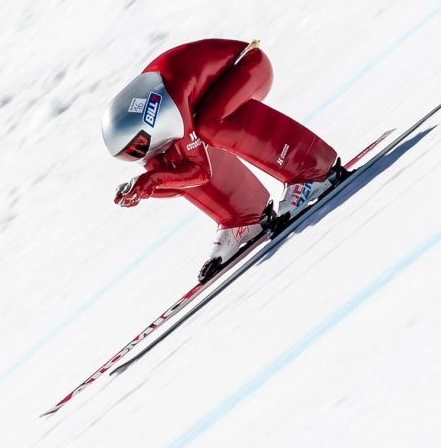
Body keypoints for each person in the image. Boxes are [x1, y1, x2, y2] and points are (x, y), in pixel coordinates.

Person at [102, 38, 348, 281]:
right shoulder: (150, 118)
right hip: (217, 88)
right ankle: (242, 217)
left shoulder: (170, 102)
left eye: (139, 148)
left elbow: (199, 171)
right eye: (134, 155)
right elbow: (175, 180)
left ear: (146, 124)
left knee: (209, 124)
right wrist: (145, 188)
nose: (141, 155)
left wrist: (153, 180)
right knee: (171, 156)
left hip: (247, 65)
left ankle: (311, 168)